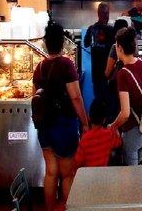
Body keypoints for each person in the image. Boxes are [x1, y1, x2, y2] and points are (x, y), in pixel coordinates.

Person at [33, 22, 89, 211]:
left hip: (44, 127)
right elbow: (75, 96)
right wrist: (85, 122)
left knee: (50, 172)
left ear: (46, 43)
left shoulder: (39, 67)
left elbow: (35, 97)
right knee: (67, 174)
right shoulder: (67, 64)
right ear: (62, 43)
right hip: (64, 125)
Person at [109, 27, 142, 165]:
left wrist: (113, 126)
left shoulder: (123, 73)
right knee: (139, 173)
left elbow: (125, 113)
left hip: (132, 131)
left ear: (119, 47)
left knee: (132, 177)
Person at [74, 99, 122, 167]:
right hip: (103, 172)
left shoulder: (85, 138)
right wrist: (113, 129)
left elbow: (77, 160)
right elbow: (118, 142)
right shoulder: (109, 134)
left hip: (90, 173)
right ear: (104, 120)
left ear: (89, 117)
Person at [84, 2, 114, 101]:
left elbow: (86, 44)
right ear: (107, 14)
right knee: (108, 100)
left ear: (98, 14)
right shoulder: (111, 30)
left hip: (95, 73)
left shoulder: (91, 29)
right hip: (108, 72)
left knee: (98, 99)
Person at [104, 18, 129, 123]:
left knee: (114, 114)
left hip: (116, 87)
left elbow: (107, 72)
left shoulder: (116, 47)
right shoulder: (132, 47)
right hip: (129, 85)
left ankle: (114, 136)